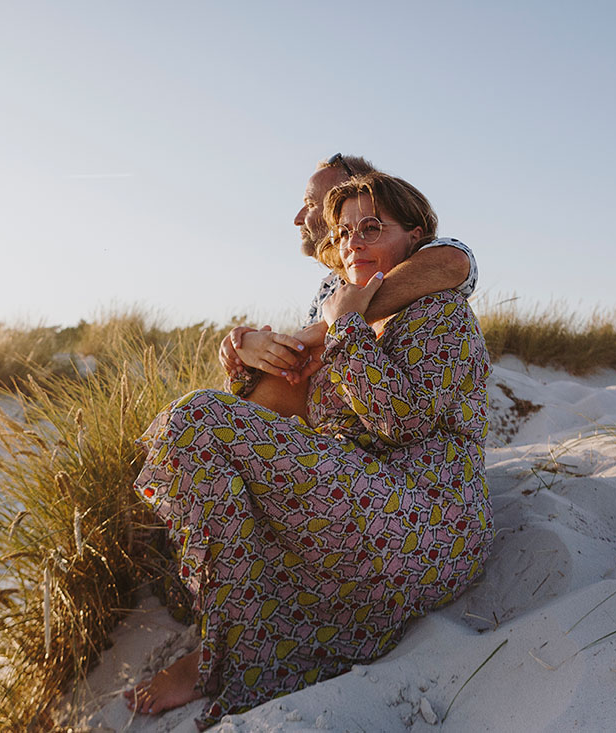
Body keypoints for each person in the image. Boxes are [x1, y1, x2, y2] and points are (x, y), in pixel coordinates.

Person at [126, 172, 493, 728]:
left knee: (198, 418)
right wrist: (248, 357)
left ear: (415, 238)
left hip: (429, 517)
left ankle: (229, 655)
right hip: (368, 500)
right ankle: (227, 640)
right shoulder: (336, 315)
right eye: (344, 233)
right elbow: (270, 423)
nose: (354, 242)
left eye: (372, 228)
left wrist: (343, 327)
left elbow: (403, 423)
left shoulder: (437, 313)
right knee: (204, 434)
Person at [219, 154, 477, 417]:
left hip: (368, 448)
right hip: (326, 439)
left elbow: (453, 261)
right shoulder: (332, 284)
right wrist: (249, 350)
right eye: (344, 232)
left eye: (310, 204)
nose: (298, 218)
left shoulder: (434, 280)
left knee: (199, 416)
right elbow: (302, 374)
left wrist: (336, 325)